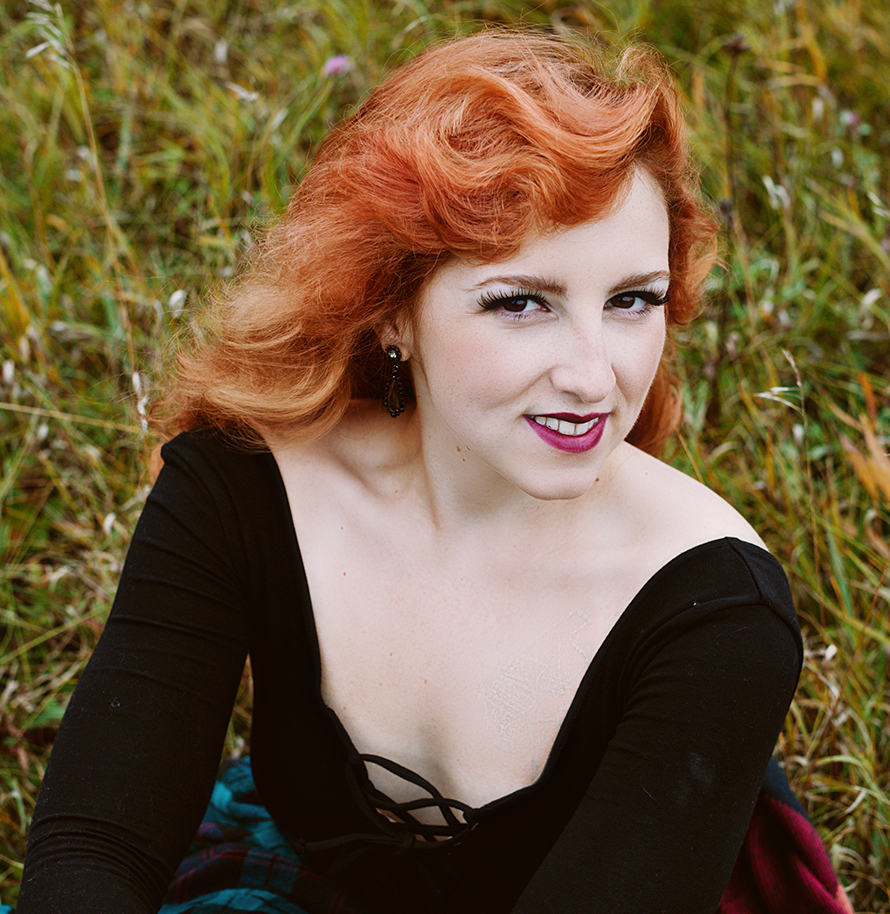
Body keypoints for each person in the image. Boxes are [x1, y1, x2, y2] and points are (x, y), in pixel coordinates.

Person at [16, 30, 851, 914]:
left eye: (631, 300)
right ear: (390, 310)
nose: (593, 374)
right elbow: (96, 846)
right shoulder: (245, 484)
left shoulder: (716, 610)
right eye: (521, 302)